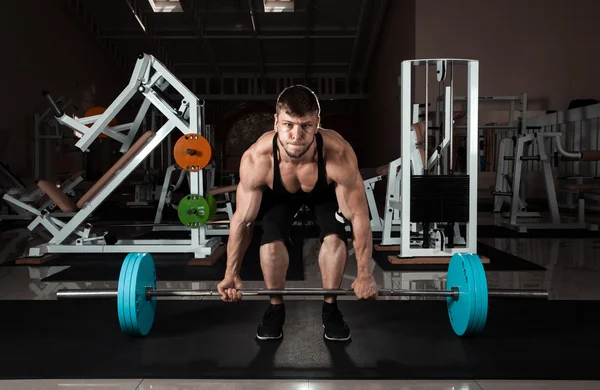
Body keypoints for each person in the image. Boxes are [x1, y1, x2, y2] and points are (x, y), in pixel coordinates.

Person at [217, 85, 378, 342]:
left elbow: (359, 217)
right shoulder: (257, 159)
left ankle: (331, 308)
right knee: (270, 242)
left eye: (305, 126)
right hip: (280, 194)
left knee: (335, 238)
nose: (296, 134)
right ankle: (275, 308)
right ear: (276, 121)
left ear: (317, 123)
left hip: (323, 194)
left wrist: (365, 275)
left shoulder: (339, 154)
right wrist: (230, 274)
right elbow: (243, 222)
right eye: (288, 125)